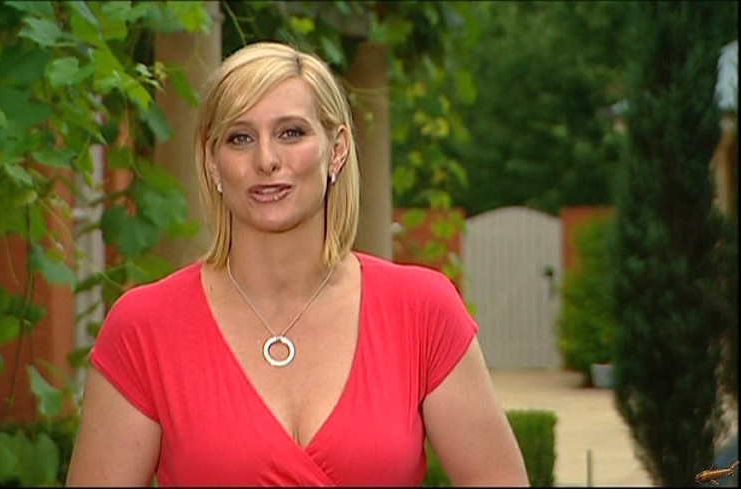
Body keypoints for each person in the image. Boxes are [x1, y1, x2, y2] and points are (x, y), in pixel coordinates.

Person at [66, 41, 528, 487]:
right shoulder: (144, 327)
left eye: (291, 133)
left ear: (337, 149)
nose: (266, 160)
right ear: (212, 163)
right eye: (240, 138)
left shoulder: (421, 311)